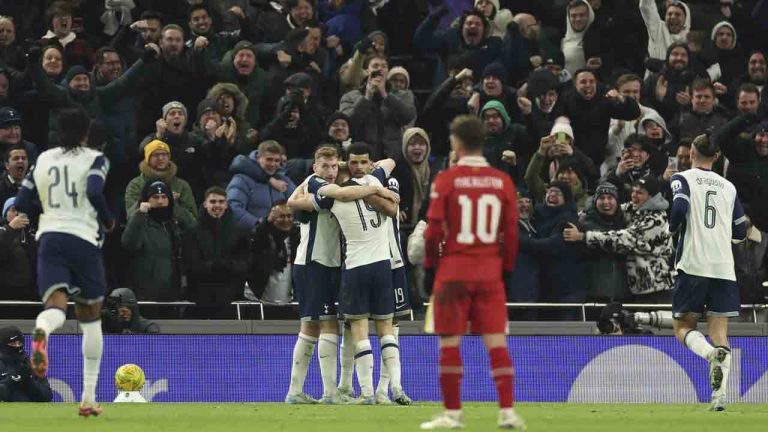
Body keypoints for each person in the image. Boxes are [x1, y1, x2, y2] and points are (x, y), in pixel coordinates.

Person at [421, 115, 524, 430]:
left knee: (450, 344)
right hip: (489, 272)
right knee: (496, 343)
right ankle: (507, 411)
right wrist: (505, 270)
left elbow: (433, 231)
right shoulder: (503, 181)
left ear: (457, 142)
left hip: (453, 272)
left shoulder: (447, 180)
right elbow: (511, 233)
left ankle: (452, 415)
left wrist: (430, 269)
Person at [14, 106, 115, 416]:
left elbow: (21, 201)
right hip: (82, 237)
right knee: (90, 318)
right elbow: (96, 191)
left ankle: (43, 329)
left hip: (50, 237)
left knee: (55, 307)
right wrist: (108, 220)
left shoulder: (43, 158)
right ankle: (87, 398)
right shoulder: (95, 158)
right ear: (86, 132)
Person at [285, 144, 398, 404]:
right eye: (324, 165)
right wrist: (376, 188)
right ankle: (330, 393)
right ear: (315, 167)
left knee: (314, 326)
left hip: (332, 263)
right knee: (325, 325)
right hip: (315, 263)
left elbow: (390, 161)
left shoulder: (339, 179)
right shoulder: (317, 185)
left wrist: (356, 169)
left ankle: (299, 391)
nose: (329, 171)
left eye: (335, 166)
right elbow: (342, 195)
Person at [668, 134, 747, 411]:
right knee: (720, 332)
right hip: (724, 268)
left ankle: (709, 354)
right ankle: (719, 399)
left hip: (693, 264)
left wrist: (672, 229)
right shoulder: (729, 187)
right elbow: (740, 232)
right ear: (716, 157)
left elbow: (679, 207)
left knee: (682, 327)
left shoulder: (682, 178)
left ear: (691, 152)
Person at [183, 186, 252, 318]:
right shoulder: (192, 232)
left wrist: (227, 266)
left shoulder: (239, 232)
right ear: (205, 204)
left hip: (230, 296)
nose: (217, 205)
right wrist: (214, 266)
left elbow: (245, 261)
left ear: (226, 204)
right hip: (199, 297)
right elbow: (190, 263)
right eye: (213, 202)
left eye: (221, 202)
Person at [0, 326, 52, 402]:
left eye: (19, 343)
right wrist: (13, 379)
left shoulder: (30, 364)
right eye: (13, 343)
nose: (17, 346)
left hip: (32, 412)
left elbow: (46, 396)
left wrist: (28, 380)